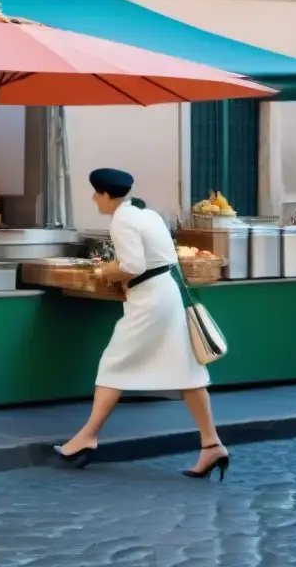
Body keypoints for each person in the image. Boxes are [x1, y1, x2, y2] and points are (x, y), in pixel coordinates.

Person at [54, 168, 229, 480]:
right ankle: (211, 444)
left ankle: (87, 437)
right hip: (168, 295)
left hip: (149, 301)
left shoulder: (122, 219)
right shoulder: (144, 213)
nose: (94, 199)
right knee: (187, 371)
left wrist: (104, 271)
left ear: (107, 195)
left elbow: (132, 265)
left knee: (113, 363)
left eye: (96, 194)